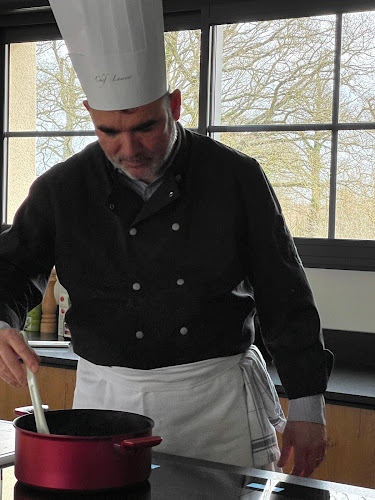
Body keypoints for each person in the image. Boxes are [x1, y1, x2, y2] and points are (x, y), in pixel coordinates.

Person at [0, 0, 333, 477]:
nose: (128, 149)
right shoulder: (62, 188)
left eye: (145, 127)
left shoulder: (235, 177)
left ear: (173, 106)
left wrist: (307, 410)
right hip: (105, 400)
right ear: (90, 114)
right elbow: (10, 269)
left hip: (214, 403)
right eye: (108, 132)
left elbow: (285, 295)